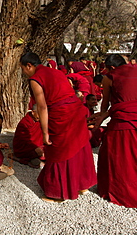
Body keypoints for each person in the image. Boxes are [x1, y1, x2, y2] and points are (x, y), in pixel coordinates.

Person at [20, 52, 96, 202]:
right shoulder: (56, 72)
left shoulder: (35, 79)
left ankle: (59, 193)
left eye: (23, 68)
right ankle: (82, 185)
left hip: (61, 114)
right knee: (78, 145)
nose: (23, 72)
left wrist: (44, 132)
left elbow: (42, 107)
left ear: (29, 66)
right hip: (75, 109)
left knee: (58, 150)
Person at [94, 54, 137, 211]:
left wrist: (100, 117)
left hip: (124, 123)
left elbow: (106, 103)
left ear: (111, 68)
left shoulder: (109, 77)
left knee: (114, 155)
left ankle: (118, 192)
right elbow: (134, 100)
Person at [13, 104, 44, 168]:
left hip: (38, 145)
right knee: (39, 153)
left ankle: (36, 159)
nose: (41, 117)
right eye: (39, 114)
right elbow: (24, 140)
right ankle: (32, 159)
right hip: (26, 147)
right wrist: (35, 148)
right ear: (33, 112)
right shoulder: (24, 123)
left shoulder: (40, 121)